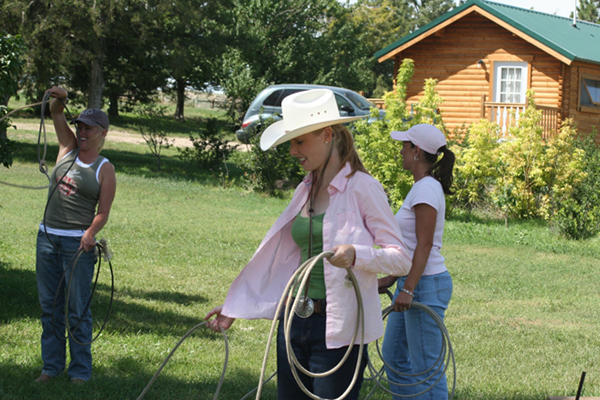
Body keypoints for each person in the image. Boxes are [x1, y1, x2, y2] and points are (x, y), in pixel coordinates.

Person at [205, 89, 411, 400]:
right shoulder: (305, 189)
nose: (292, 151)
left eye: (299, 141)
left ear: (327, 135)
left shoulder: (363, 188)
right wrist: (237, 307)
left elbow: (400, 260)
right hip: (293, 322)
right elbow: (284, 260)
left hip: (339, 329)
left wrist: (357, 255)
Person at [34, 86, 116, 384]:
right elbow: (56, 112)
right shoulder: (67, 147)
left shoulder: (104, 169)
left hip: (77, 245)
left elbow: (103, 212)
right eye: (80, 126)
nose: (81, 132)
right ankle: (50, 368)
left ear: (102, 133)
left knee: (77, 309)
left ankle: (80, 372)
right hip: (47, 238)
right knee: (49, 307)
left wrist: (91, 233)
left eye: (88, 129)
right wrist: (63, 97)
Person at [378, 124, 455, 400]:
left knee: (427, 370)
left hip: (424, 286)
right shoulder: (422, 187)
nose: (400, 151)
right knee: (394, 358)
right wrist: (393, 279)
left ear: (417, 151)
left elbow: (425, 244)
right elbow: (413, 246)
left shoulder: (425, 190)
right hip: (413, 283)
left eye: (404, 145)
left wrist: (408, 288)